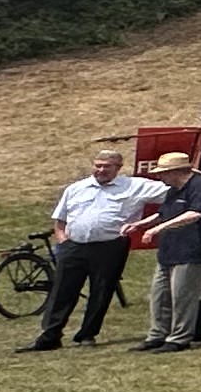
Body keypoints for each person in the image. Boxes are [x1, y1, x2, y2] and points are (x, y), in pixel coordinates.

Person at [23, 142, 158, 352]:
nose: (101, 170)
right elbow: (60, 219)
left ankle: (87, 334)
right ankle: (49, 336)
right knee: (62, 291)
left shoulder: (135, 186)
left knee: (101, 291)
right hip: (73, 246)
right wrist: (63, 241)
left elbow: (177, 190)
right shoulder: (76, 188)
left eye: (107, 166)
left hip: (109, 246)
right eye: (98, 165)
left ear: (118, 167)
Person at [136, 148, 201, 352]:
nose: (159, 177)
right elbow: (164, 213)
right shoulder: (173, 190)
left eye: (163, 173)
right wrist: (139, 224)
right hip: (169, 250)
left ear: (176, 172)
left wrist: (157, 229)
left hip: (193, 250)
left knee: (182, 296)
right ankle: (157, 334)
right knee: (159, 295)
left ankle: (179, 338)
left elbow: (195, 213)